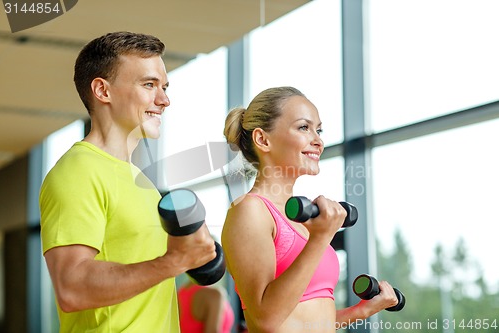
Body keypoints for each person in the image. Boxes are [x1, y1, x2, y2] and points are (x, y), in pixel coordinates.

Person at [39, 31, 216, 332]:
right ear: (102, 91)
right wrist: (172, 262)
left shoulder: (139, 181)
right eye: (149, 84)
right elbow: (72, 289)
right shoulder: (77, 171)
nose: (164, 100)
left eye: (164, 87)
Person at [221, 86, 399, 332]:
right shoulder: (250, 211)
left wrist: (362, 311)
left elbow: (302, 321)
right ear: (263, 139)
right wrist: (321, 237)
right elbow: (266, 320)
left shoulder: (304, 222)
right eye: (304, 127)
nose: (318, 140)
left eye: (319, 129)